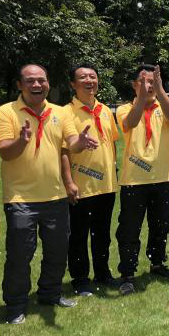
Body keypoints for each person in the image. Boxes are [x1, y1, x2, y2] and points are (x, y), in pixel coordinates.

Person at [0, 64, 98, 324]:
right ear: (20, 85)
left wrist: (80, 143)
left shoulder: (60, 112)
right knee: (20, 255)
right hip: (21, 199)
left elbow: (70, 143)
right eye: (30, 81)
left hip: (55, 196)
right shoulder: (5, 112)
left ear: (48, 83)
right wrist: (21, 141)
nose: (37, 85)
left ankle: (50, 294)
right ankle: (16, 305)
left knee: (57, 251)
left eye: (42, 80)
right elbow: (5, 152)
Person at [115, 64, 169, 295]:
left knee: (161, 224)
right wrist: (142, 98)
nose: (149, 86)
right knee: (130, 228)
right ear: (135, 85)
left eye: (153, 81)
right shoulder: (125, 109)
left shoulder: (163, 106)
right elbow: (130, 123)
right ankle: (127, 273)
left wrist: (160, 92)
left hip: (162, 177)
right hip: (134, 179)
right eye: (144, 81)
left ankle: (157, 263)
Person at [61, 63, 121, 296]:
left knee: (102, 233)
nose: (89, 81)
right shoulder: (65, 113)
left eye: (93, 76)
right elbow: (63, 150)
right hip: (80, 185)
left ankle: (103, 273)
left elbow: (112, 143)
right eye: (83, 77)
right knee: (78, 235)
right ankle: (80, 278)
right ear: (72, 84)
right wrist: (68, 182)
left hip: (106, 185)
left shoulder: (104, 110)